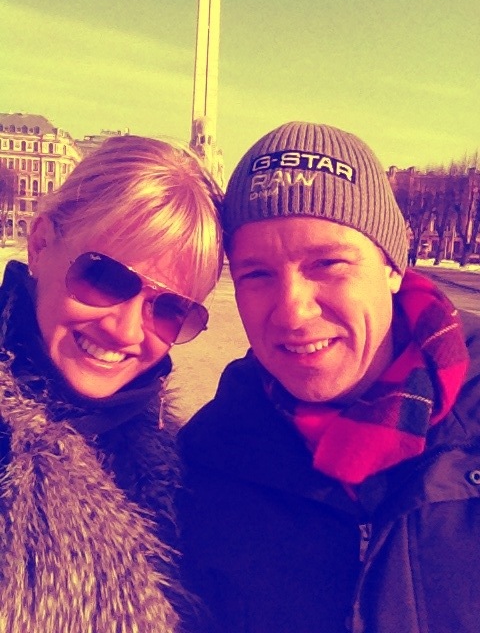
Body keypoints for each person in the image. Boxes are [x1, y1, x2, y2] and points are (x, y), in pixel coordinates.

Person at [178, 121, 480, 633]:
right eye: (257, 273)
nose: (292, 313)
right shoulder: (208, 457)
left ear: (393, 265)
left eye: (327, 264)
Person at [0, 135, 222, 632]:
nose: (126, 331)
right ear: (40, 245)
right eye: (104, 278)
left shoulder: (183, 460)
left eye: (170, 309)